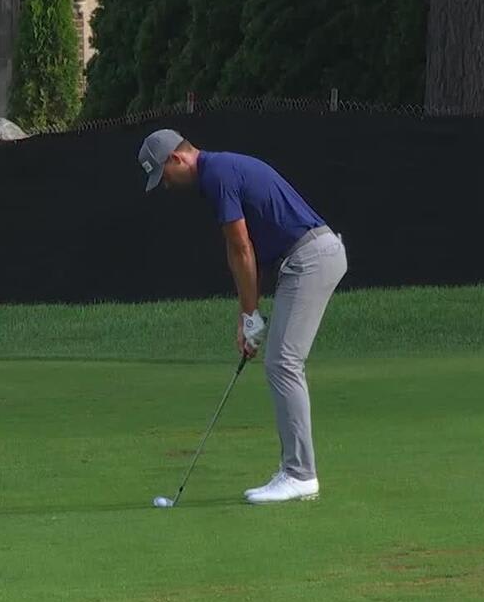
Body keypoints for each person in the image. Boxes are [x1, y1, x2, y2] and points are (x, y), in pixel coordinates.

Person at [137, 129, 348, 504]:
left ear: (177, 158)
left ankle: (300, 474)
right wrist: (247, 316)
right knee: (283, 362)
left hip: (311, 258)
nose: (166, 185)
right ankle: (296, 470)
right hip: (307, 258)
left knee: (283, 362)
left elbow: (241, 249)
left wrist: (250, 316)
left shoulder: (217, 175)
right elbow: (243, 252)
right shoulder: (220, 171)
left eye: (164, 176)